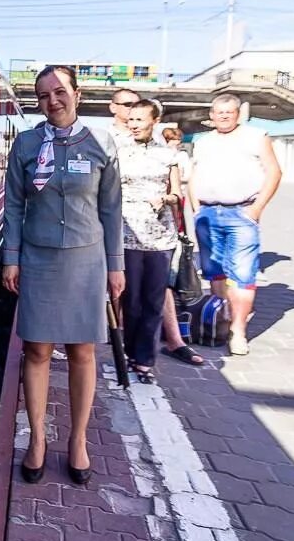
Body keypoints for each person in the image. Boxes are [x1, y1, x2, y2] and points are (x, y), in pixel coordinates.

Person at [2, 65, 125, 485]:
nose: (52, 101)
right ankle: (37, 439)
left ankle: (78, 440)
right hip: (38, 259)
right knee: (36, 352)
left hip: (85, 260)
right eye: (42, 95)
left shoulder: (100, 144)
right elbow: (14, 205)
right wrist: (11, 258)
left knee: (82, 353)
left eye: (59, 92)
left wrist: (116, 265)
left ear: (76, 93)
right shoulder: (26, 144)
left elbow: (111, 209)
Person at [189, 94, 283, 355]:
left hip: (241, 213)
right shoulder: (203, 142)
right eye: (219, 112)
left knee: (243, 273)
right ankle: (221, 318)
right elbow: (195, 175)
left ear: (239, 113)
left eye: (230, 112)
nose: (224, 116)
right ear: (211, 115)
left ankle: (238, 332)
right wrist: (196, 209)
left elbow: (274, 172)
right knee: (214, 271)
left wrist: (256, 209)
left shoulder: (256, 136)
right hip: (208, 213)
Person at [118, 101, 184, 382]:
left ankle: (144, 359)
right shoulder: (118, 152)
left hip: (160, 237)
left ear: (155, 121)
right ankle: (130, 351)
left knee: (153, 301)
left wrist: (165, 198)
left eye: (140, 119)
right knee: (130, 300)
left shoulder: (168, 155)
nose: (133, 124)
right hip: (125, 234)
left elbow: (178, 194)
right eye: (131, 119)